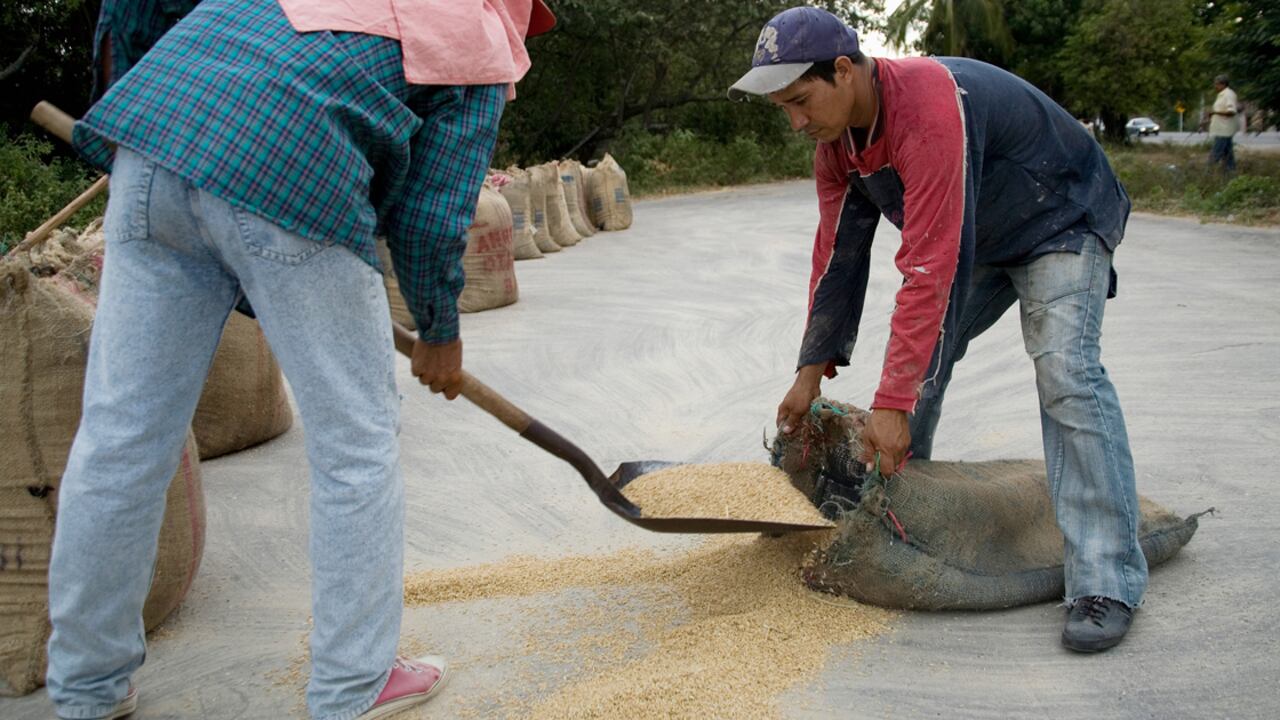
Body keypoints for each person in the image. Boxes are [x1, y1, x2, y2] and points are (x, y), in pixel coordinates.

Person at [44, 1, 555, 718]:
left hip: (153, 151)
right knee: (357, 443)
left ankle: (86, 687)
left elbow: (149, 29)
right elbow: (434, 215)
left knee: (120, 438)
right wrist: (439, 331)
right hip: (289, 169)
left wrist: (247, 267)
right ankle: (355, 682)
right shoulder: (473, 29)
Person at [730, 7, 1145, 653]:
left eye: (801, 100)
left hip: (1059, 218)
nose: (795, 120)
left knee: (1066, 373)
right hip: (978, 239)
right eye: (782, 107)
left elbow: (927, 266)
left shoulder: (924, 103)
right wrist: (807, 374)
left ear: (843, 70)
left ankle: (1106, 578)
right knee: (920, 367)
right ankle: (895, 521)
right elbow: (836, 259)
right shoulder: (835, 146)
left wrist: (893, 404)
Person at [1207, 74, 1239, 172]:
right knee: (1228, 155)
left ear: (1223, 84)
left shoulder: (1228, 94)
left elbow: (1231, 111)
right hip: (1221, 128)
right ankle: (1231, 174)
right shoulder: (1221, 95)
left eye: (1217, 84)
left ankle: (1207, 174)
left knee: (1216, 153)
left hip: (1224, 129)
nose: (1215, 87)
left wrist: (1215, 112)